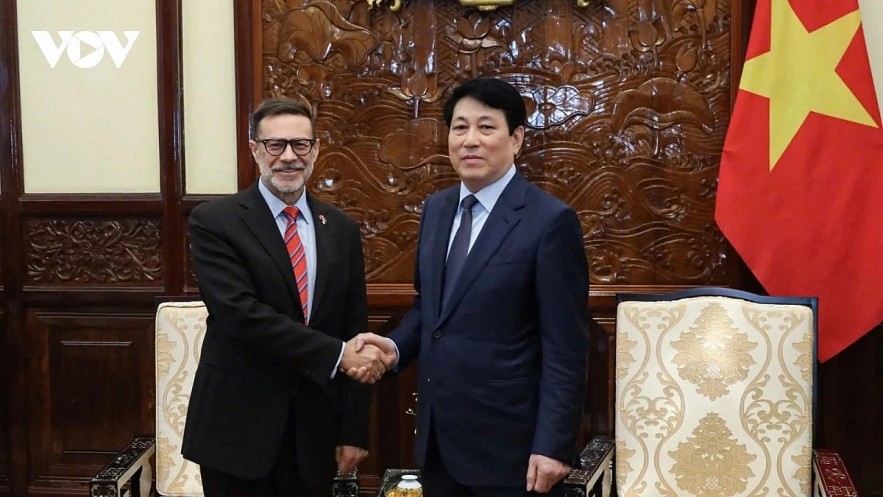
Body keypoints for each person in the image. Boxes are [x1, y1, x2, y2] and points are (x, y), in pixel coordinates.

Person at [351, 77, 590, 496]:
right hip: (439, 441)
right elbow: (431, 308)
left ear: (516, 138)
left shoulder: (550, 222)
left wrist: (553, 444)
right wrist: (396, 348)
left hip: (513, 450)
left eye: (486, 127)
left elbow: (566, 346)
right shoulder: (438, 208)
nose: (470, 140)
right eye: (460, 127)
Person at [182, 96, 392, 497]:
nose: (288, 157)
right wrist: (337, 354)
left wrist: (353, 429)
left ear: (316, 151)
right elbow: (240, 315)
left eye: (300, 145)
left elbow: (354, 324)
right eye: (275, 145)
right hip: (237, 432)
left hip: (313, 436)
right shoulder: (215, 222)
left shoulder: (341, 229)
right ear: (255, 150)